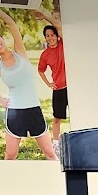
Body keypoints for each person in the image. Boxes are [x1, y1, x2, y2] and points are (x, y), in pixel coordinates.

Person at [0, 0, 57, 161]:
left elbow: (11, 23)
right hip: (15, 112)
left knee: (50, 153)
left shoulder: (20, 52)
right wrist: (1, 100)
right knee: (10, 155)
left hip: (34, 109)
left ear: (2, 37)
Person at [35, 8, 68, 149]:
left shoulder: (63, 44)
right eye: (47, 36)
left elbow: (59, 26)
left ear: (57, 36)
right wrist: (48, 83)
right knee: (57, 119)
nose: (50, 38)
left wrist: (44, 16)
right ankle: (56, 145)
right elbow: (40, 70)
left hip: (72, 87)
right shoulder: (45, 54)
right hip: (59, 88)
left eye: (52, 35)